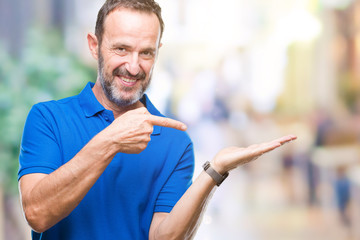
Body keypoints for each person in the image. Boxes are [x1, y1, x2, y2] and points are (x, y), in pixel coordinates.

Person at [18, 0, 297, 239]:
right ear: (95, 45)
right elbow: (37, 214)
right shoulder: (48, 119)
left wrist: (215, 171)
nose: (134, 66)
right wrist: (112, 140)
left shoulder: (174, 142)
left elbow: (163, 237)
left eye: (146, 52)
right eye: (121, 49)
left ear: (157, 51)